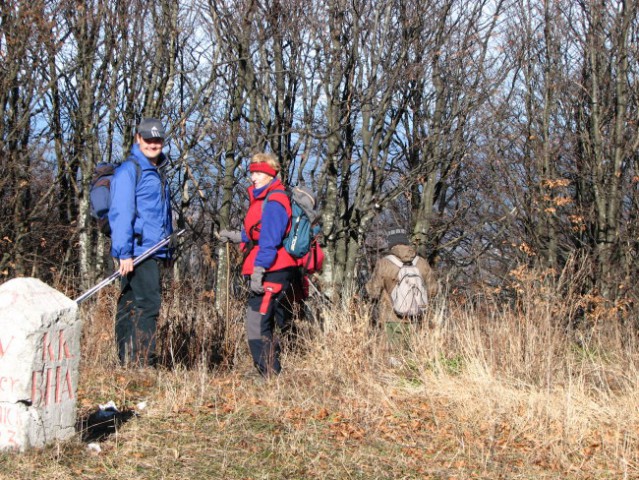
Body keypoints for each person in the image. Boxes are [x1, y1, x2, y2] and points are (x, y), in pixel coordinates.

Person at [220, 153, 298, 377]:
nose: (253, 177)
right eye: (252, 172)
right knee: (264, 322)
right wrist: (237, 236)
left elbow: (270, 240)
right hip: (268, 267)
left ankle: (268, 374)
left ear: (270, 174)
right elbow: (256, 232)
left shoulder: (274, 200)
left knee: (256, 322)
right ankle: (268, 370)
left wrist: (258, 271)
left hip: (271, 270)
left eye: (259, 173)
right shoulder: (262, 199)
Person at [109, 117, 173, 367]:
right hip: (139, 250)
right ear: (138, 139)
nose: (153, 144)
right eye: (148, 139)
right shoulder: (130, 170)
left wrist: (167, 250)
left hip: (153, 248)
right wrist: (124, 252)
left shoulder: (156, 170)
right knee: (148, 304)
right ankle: (143, 363)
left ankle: (126, 361)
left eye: (157, 140)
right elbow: (121, 213)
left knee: (130, 302)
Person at [365, 227, 438, 345]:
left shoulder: (384, 263)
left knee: (395, 356)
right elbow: (433, 289)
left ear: (391, 243)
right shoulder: (421, 262)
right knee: (414, 355)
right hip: (418, 318)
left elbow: (373, 291)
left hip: (392, 318)